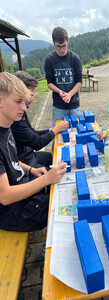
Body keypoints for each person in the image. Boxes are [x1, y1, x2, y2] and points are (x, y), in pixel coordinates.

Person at [0, 72, 67, 232]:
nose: (24, 107)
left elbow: (12, 160)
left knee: (62, 190)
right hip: (11, 211)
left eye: (24, 101)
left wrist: (32, 169)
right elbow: (5, 196)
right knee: (61, 205)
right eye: (18, 102)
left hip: (22, 188)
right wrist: (46, 180)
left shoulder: (7, 124)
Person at [11, 71, 69, 171]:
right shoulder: (14, 117)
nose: (32, 99)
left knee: (53, 158)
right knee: (53, 171)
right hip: (24, 161)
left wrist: (52, 129)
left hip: (29, 154)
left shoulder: (21, 111)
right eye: (30, 95)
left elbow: (33, 133)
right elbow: (37, 143)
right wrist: (55, 130)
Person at [44, 27, 82, 127]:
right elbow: (50, 83)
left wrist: (69, 94)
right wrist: (60, 92)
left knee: (76, 132)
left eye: (64, 46)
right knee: (57, 134)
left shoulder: (75, 58)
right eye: (58, 47)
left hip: (74, 105)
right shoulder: (49, 59)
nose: (61, 50)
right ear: (54, 42)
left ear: (67, 41)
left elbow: (79, 82)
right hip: (58, 106)